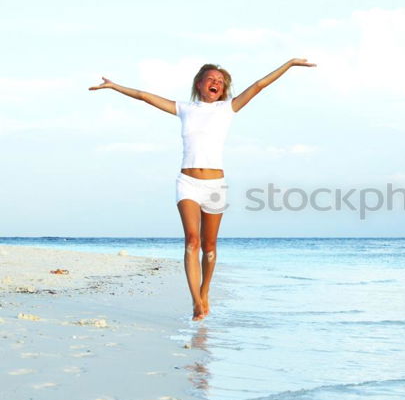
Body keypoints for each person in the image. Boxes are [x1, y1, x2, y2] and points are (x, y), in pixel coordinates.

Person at [89, 58, 316, 320]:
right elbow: (144, 96)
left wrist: (289, 64)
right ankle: (196, 301)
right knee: (192, 241)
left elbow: (259, 85)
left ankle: (205, 290)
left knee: (209, 247)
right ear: (199, 83)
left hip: (215, 185)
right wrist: (114, 86)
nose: (216, 83)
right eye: (211, 79)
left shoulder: (227, 109)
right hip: (187, 182)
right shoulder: (185, 108)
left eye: (220, 82)